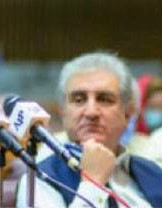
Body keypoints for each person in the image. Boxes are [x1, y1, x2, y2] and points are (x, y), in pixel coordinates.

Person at [16, 52, 162, 208]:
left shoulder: (152, 171)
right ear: (63, 112)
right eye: (79, 100)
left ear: (128, 113)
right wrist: (93, 184)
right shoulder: (41, 179)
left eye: (105, 99)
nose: (91, 112)